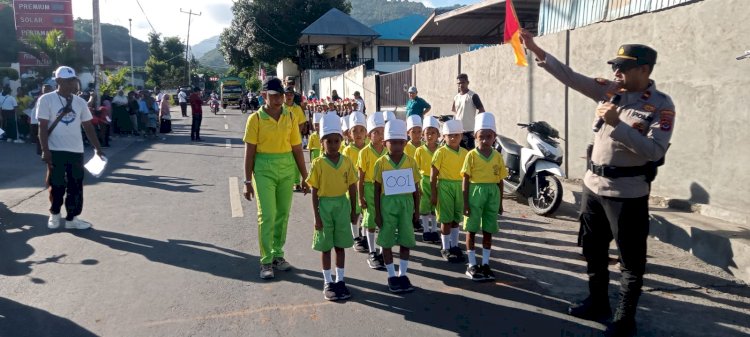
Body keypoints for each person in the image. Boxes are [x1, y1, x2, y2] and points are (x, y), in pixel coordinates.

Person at [520, 30, 675, 337]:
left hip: (627, 193)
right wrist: (534, 47)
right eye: (614, 66)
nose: (616, 72)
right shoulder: (610, 91)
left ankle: (625, 318)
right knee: (592, 249)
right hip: (593, 186)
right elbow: (570, 76)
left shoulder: (660, 106)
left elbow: (654, 150)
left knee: (631, 260)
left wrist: (617, 125)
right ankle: (598, 302)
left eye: (623, 67)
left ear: (644, 70)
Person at [243, 77, 310, 279]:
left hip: (287, 168)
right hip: (263, 169)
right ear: (264, 96)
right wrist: (247, 181)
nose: (279, 99)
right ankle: (265, 260)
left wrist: (305, 177)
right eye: (274, 95)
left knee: (283, 214)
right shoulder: (255, 119)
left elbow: (297, 148)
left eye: (281, 95)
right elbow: (250, 151)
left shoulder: (290, 116)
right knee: (268, 215)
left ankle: (278, 255)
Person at [37, 66, 105, 230]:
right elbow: (42, 127)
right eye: (68, 81)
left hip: (76, 150)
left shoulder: (80, 102)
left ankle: (72, 219)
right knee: (57, 184)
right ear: (58, 81)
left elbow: (88, 127)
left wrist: (97, 148)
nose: (72, 84)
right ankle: (54, 214)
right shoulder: (46, 99)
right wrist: (45, 150)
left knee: (76, 185)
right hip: (55, 150)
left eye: (73, 81)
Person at [307, 113, 357, 301]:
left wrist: (354, 210)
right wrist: (317, 217)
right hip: (325, 207)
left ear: (341, 142)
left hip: (342, 206)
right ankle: (328, 281)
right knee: (326, 247)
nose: (334, 145)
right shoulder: (318, 163)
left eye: (337, 141)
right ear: (322, 143)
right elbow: (314, 191)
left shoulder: (347, 162)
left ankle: (341, 280)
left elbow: (352, 187)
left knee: (340, 245)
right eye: (329, 141)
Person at [373, 118, 419, 293]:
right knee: (387, 240)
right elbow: (376, 190)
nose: (398, 146)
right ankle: (391, 275)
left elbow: (416, 188)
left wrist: (416, 209)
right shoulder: (381, 163)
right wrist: (377, 213)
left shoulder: (411, 162)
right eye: (393, 142)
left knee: (406, 239)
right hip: (387, 206)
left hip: (406, 206)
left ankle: (403, 274)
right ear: (385, 143)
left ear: (406, 143)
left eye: (401, 142)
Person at [461, 112, 506, 282]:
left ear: (494, 137)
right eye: (482, 137)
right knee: (471, 229)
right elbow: (465, 179)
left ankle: (486, 263)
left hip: (492, 195)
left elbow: (500, 180)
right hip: (475, 194)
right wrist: (465, 203)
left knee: (488, 229)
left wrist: (500, 202)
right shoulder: (471, 155)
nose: (485, 140)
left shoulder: (497, 156)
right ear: (475, 137)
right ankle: (472, 263)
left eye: (489, 136)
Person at [431, 119, 469, 262]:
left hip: (459, 187)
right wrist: (434, 194)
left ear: (461, 136)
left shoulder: (465, 153)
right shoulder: (440, 152)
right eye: (450, 135)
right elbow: (433, 175)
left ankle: (454, 245)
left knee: (455, 219)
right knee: (446, 219)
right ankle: (445, 247)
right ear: (444, 137)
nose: (453, 138)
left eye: (456, 135)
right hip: (445, 187)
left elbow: (467, 175)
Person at [357, 112, 387, 270]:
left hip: (384, 189)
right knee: (370, 220)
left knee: (384, 219)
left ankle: (382, 251)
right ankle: (372, 251)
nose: (380, 135)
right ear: (369, 135)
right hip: (369, 188)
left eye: (383, 131)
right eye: (376, 132)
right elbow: (360, 178)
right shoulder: (364, 153)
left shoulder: (386, 151)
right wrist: (361, 196)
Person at [342, 112, 368, 253]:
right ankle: (356, 237)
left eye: (361, 130)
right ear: (349, 134)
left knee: (366, 212)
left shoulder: (369, 148)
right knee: (355, 212)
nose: (358, 133)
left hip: (367, 186)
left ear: (366, 133)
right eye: (354, 131)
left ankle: (364, 236)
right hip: (352, 187)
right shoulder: (347, 151)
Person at [415, 116, 441, 243]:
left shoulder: (441, 150)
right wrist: (418, 186)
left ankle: (435, 230)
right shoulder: (419, 151)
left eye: (433, 133)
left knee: (435, 206)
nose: (430, 136)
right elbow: (416, 169)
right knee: (424, 207)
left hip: (438, 181)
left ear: (438, 134)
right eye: (427, 133)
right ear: (423, 135)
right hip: (424, 181)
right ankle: (426, 230)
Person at [451, 74, 485, 149]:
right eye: (459, 83)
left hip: (469, 132)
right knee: (458, 154)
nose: (460, 85)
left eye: (463, 82)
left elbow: (482, 111)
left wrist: (476, 126)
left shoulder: (473, 95)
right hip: (458, 131)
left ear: (467, 82)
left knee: (469, 154)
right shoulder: (456, 97)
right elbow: (455, 112)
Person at [285, 86, 308, 192]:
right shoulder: (280, 107)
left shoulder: (297, 108)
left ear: (293, 96)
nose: (289, 96)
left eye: (291, 95)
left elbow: (302, 123)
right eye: (287, 94)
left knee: (296, 161)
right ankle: (285, 182)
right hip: (283, 139)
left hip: (295, 139)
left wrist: (294, 133)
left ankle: (296, 183)